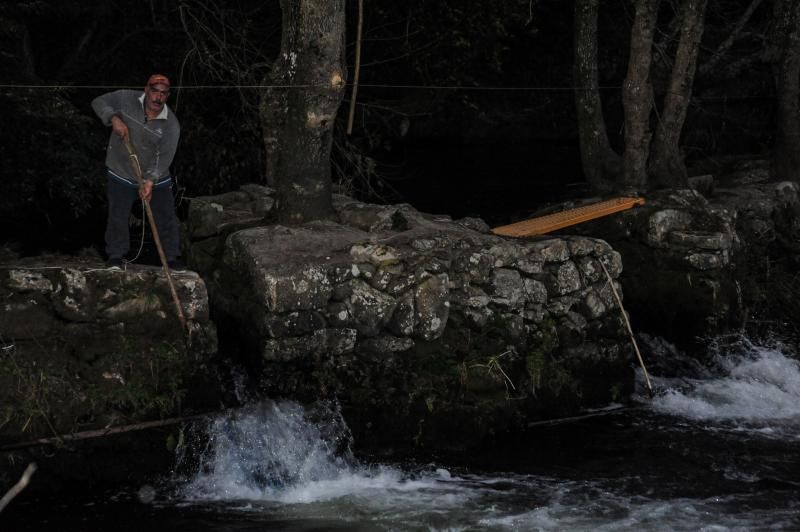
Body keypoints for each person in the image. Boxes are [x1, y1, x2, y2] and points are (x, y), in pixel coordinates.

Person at [91, 74, 184, 271]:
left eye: (163, 93)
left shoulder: (171, 124)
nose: (157, 97)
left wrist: (150, 180)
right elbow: (99, 101)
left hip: (156, 177)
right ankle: (116, 256)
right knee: (118, 215)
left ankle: (171, 259)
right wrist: (113, 118)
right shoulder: (125, 98)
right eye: (154, 91)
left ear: (167, 96)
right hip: (121, 170)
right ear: (146, 90)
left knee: (166, 217)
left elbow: (165, 157)